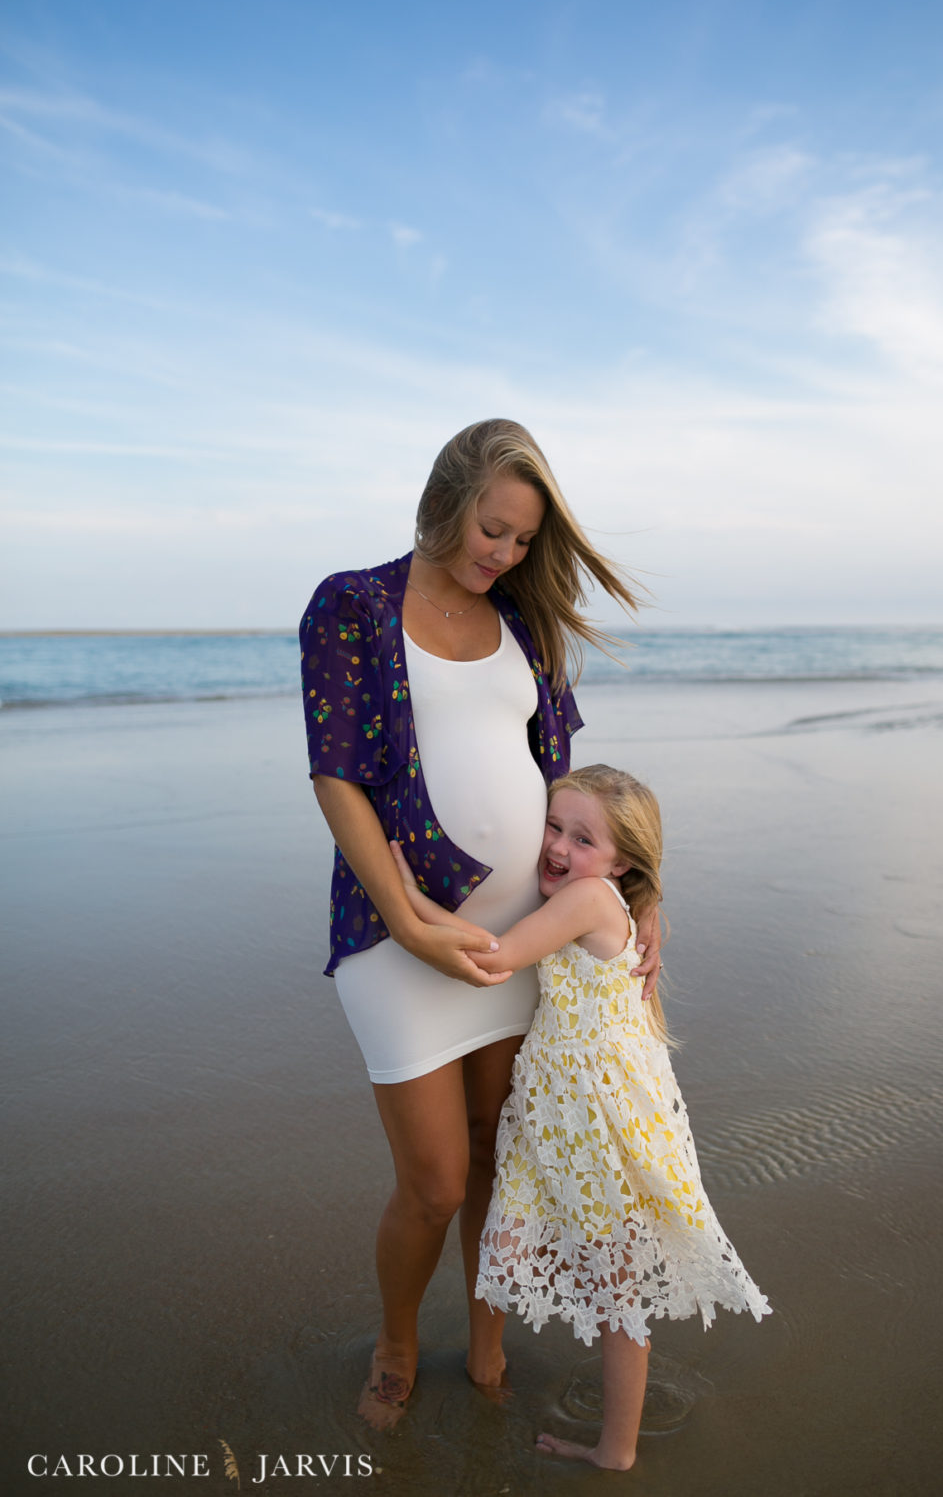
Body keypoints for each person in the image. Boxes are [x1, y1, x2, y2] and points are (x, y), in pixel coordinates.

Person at [298, 419, 657, 1429]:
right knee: (435, 1181)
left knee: (500, 1154)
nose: (501, 554)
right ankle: (398, 1338)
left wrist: (640, 890)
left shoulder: (524, 624)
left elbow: (570, 779)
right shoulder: (353, 604)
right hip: (397, 935)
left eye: (520, 542)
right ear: (445, 501)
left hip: (520, 935)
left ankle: (487, 1336)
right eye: (490, 530)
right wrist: (407, 924)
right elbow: (336, 776)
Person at [390, 763, 772, 1471]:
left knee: (615, 1288)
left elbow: (497, 955)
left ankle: (614, 1449)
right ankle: (604, 1435)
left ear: (621, 860)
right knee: (609, 1282)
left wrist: (406, 899)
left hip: (596, 1121)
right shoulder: (603, 896)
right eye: (554, 826)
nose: (558, 846)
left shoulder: (589, 898)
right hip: (584, 1109)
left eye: (583, 837)